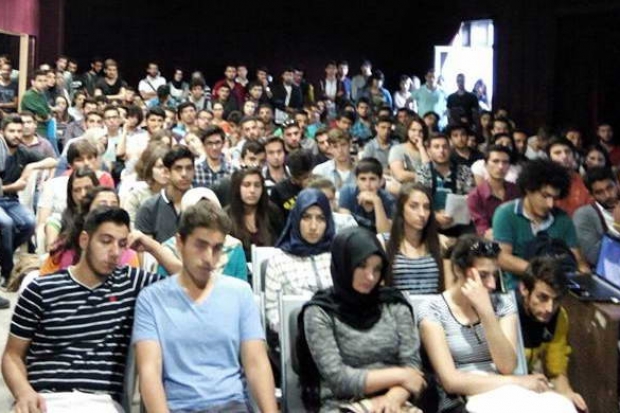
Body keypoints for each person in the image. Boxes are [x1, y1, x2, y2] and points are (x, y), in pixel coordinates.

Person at [1, 207, 161, 412]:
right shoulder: (41, 289)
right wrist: (23, 392)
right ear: (85, 240)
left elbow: (187, 284)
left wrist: (152, 246)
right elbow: (12, 356)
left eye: (122, 244)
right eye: (106, 241)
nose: (115, 252)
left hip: (100, 403)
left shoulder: (129, 282)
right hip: (45, 399)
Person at [132, 201, 277, 413]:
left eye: (217, 248)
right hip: (179, 408)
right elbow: (149, 373)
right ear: (180, 244)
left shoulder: (239, 293)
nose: (209, 258)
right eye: (200, 245)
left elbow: (256, 363)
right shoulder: (151, 300)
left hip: (232, 405)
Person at [418, 235, 577, 413]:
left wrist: (486, 313)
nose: (492, 284)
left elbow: (507, 366)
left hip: (505, 392)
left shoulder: (503, 304)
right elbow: (451, 381)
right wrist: (517, 381)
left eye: (494, 275)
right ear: (458, 270)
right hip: (460, 399)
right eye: (483, 275)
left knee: (562, 406)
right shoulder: (433, 309)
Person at [297, 226, 426, 413]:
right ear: (345, 264)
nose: (371, 277)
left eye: (377, 269)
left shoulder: (394, 303)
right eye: (361, 266)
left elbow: (413, 367)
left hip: (396, 401)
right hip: (340, 404)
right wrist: (400, 375)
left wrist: (392, 398)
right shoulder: (320, 311)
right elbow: (339, 380)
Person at [492, 159, 590, 290]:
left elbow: (579, 261)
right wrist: (543, 274)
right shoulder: (505, 213)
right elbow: (502, 258)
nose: (550, 204)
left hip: (558, 289)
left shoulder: (563, 219)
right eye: (545, 196)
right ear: (528, 189)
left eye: (555, 198)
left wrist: (586, 280)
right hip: (517, 289)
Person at [518, 257, 588, 412]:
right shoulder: (507, 310)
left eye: (556, 300)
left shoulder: (559, 317)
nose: (550, 308)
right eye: (542, 297)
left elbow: (556, 371)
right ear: (524, 289)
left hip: (528, 385)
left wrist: (568, 394)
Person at [264, 188, 335, 333]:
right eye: (306, 217)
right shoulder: (279, 260)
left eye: (320, 218)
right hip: (296, 334)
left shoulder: (338, 255)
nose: (313, 226)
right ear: (296, 219)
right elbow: (272, 311)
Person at [0, 116, 57, 287]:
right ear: (2, 132)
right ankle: (7, 271)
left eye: (19, 131)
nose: (16, 135)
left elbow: (53, 160)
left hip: (11, 201)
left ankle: (3, 256)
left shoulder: (23, 152)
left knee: (29, 223)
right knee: (7, 224)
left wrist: (32, 166)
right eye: (11, 131)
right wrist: (13, 186)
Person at [41, 186, 140, 275]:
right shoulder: (63, 249)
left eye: (114, 206)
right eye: (102, 205)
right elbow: (45, 281)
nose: (109, 210)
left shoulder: (129, 255)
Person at [384, 182, 446, 294]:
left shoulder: (440, 243)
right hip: (398, 304)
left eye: (426, 207)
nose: (422, 214)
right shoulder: (385, 242)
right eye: (413, 206)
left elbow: (448, 290)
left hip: (433, 304)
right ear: (401, 209)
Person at [416, 133, 474, 232]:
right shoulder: (423, 171)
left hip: (459, 222)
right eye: (436, 147)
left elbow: (470, 198)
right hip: (430, 221)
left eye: (445, 147)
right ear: (429, 151)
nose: (441, 151)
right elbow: (420, 200)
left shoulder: (464, 171)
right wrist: (435, 215)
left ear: (450, 149)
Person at [135, 145, 194, 243]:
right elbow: (145, 250)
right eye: (178, 168)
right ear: (167, 172)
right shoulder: (149, 208)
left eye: (189, 168)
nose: (184, 174)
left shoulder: (203, 203)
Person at [226, 167, 282, 260]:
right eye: (246, 185)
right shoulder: (226, 217)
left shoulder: (273, 212)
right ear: (237, 188)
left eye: (257, 185)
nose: (252, 190)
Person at [467, 145, 520, 238]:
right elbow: (483, 229)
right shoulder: (475, 196)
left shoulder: (516, 191)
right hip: (491, 241)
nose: (500, 166)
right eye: (495, 161)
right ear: (486, 165)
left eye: (505, 162)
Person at [573, 167, 620, 266]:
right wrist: (617, 227)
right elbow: (595, 258)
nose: (607, 195)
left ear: (617, 184)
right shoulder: (584, 216)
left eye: (610, 188)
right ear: (591, 195)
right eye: (599, 192)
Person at [339, 157, 395, 233]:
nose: (367, 184)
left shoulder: (389, 199)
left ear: (381, 181)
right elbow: (345, 229)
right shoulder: (347, 193)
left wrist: (377, 202)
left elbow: (385, 233)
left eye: (372, 179)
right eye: (363, 179)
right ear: (356, 180)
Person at [547, 137, 593, 217]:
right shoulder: (544, 183)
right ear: (549, 158)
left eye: (567, 152)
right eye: (557, 153)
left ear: (574, 156)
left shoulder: (584, 180)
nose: (564, 156)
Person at [270, 148, 314, 218]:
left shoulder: (319, 186)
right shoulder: (278, 190)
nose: (304, 180)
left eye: (306, 176)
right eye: (298, 177)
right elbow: (276, 218)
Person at [389, 117, 428, 184]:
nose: (417, 134)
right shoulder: (397, 149)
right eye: (413, 130)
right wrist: (423, 177)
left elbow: (429, 171)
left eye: (420, 131)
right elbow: (400, 175)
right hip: (406, 187)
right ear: (407, 131)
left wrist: (421, 148)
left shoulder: (428, 149)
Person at [20, 70, 52, 138]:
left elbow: (49, 112)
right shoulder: (29, 95)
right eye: (40, 81)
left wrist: (43, 117)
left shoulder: (42, 94)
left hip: (44, 128)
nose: (43, 83)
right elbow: (44, 113)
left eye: (45, 80)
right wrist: (45, 116)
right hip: (34, 130)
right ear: (33, 82)